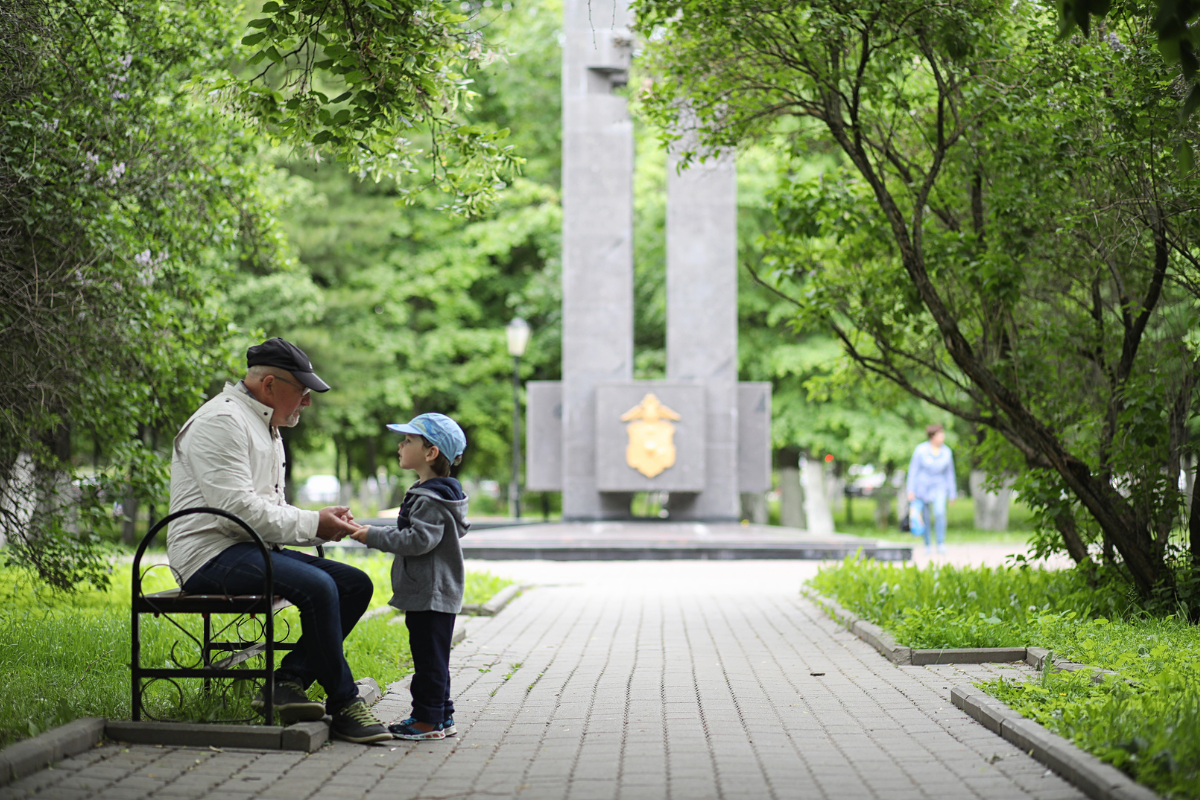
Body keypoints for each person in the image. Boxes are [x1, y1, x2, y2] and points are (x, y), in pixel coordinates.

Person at [167, 337, 391, 743]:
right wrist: (314, 523)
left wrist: (320, 524)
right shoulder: (222, 421)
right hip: (207, 555)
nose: (307, 401)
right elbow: (237, 513)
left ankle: (286, 683)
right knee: (319, 586)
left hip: (247, 548)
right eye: (302, 390)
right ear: (269, 385)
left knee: (355, 584)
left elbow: (267, 510)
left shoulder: (264, 425)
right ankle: (344, 703)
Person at [349, 413, 469, 741]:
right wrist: (371, 531)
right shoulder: (428, 492)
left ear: (431, 452)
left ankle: (427, 721)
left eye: (408, 440)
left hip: (431, 593)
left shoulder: (432, 499)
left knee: (429, 660)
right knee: (434, 659)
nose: (400, 446)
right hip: (428, 592)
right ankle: (441, 716)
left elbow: (418, 540)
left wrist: (373, 536)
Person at [906, 423, 957, 555]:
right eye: (940, 434)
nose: (943, 437)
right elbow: (913, 471)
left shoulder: (946, 452)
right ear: (932, 436)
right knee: (925, 517)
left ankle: (940, 542)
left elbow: (950, 473)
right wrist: (910, 490)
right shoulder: (920, 450)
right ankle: (927, 544)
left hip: (940, 486)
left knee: (940, 512)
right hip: (922, 488)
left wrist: (952, 493)